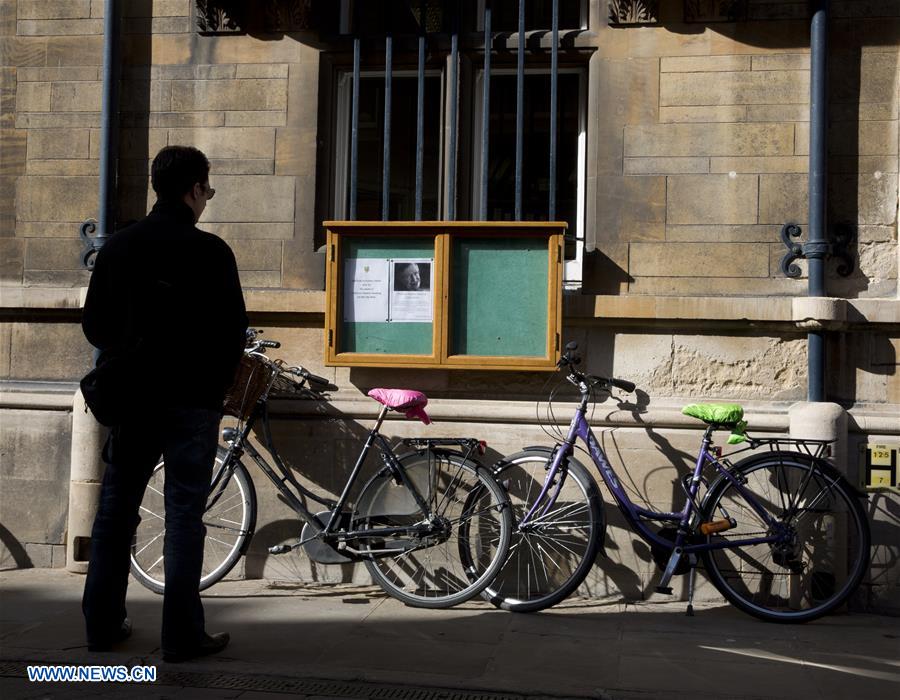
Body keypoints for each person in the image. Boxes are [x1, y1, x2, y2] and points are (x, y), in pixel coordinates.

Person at [81, 146, 248, 662]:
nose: (206, 201)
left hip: (133, 399)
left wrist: (131, 350)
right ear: (194, 189)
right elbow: (232, 334)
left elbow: (95, 326)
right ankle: (180, 635)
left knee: (115, 512)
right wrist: (213, 385)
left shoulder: (121, 247)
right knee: (182, 515)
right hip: (191, 402)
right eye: (207, 191)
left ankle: (102, 626)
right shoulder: (212, 252)